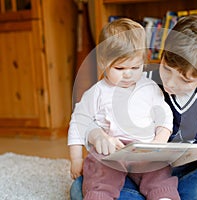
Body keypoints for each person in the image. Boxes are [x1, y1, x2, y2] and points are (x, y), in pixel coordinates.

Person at [70, 15, 197, 200]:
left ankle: (162, 195)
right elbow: (93, 115)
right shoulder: (139, 78)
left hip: (192, 176)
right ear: (162, 54)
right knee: (81, 187)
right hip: (142, 173)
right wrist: (98, 134)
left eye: (185, 79)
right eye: (167, 68)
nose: (169, 83)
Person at [68, 18, 180, 200]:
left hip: (144, 150)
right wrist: (76, 158)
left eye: (135, 67)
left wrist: (159, 141)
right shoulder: (97, 92)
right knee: (100, 173)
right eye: (119, 68)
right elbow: (79, 121)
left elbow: (165, 116)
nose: (128, 74)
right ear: (103, 63)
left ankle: (162, 196)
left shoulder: (150, 87)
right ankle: (100, 195)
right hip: (111, 151)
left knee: (159, 173)